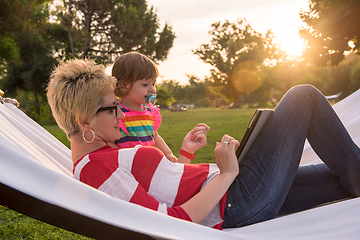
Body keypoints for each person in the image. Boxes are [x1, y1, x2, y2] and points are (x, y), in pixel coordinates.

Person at [47, 59, 360, 230]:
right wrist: (225, 175)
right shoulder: (95, 172)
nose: (120, 114)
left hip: (236, 193)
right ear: (84, 121)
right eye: (111, 107)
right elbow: (170, 224)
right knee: (302, 96)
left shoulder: (105, 154)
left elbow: (168, 187)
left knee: (340, 178)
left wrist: (186, 154)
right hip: (237, 200)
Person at [111, 52, 179, 163]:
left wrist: (168, 154)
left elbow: (155, 136)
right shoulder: (116, 113)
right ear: (123, 86)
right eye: (145, 84)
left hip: (150, 165)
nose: (152, 89)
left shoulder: (149, 111)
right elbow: (110, 141)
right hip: (129, 167)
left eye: (153, 83)